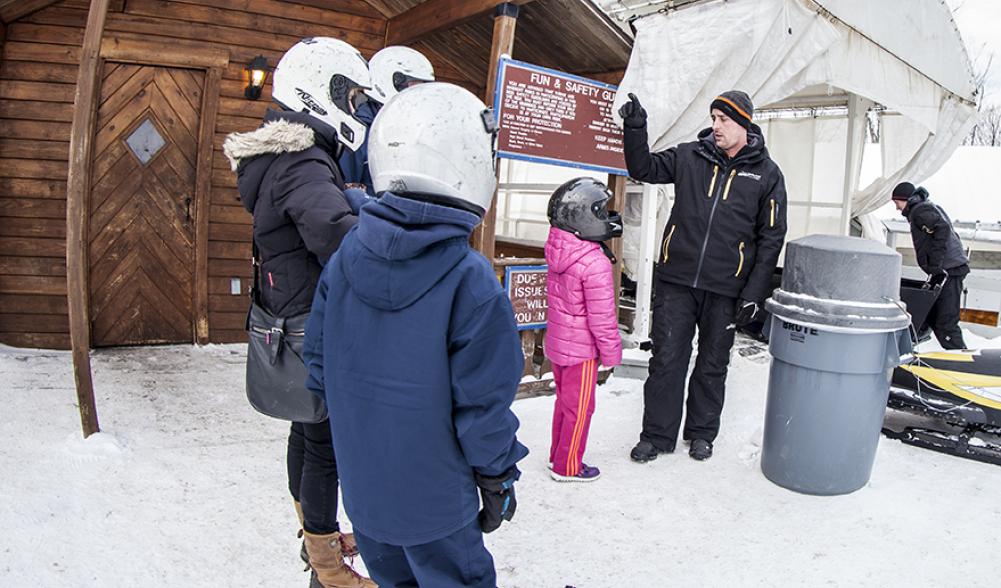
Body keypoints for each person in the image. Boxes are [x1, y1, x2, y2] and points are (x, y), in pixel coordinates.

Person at [303, 83, 528, 588]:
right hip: (437, 506)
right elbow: (483, 406)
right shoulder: (469, 281)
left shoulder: (345, 257)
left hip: (366, 498)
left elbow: (317, 367)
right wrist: (497, 475)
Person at [223, 37, 375, 588]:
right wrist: (382, 229)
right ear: (318, 91)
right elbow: (337, 237)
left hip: (290, 313)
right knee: (326, 445)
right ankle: (327, 562)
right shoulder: (304, 162)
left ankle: (313, 535)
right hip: (317, 317)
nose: (354, 107)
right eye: (348, 95)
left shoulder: (279, 159)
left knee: (306, 431)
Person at [618, 90, 788, 462]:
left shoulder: (767, 174)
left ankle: (701, 432)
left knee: (713, 363)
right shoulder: (688, 157)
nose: (716, 126)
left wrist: (754, 293)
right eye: (713, 118)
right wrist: (635, 128)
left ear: (743, 123)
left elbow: (771, 237)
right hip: (677, 280)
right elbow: (642, 168)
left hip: (727, 288)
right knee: (666, 359)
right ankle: (657, 435)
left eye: (723, 120)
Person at [544, 177, 624, 482]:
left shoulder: (559, 248)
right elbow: (602, 318)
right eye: (600, 211)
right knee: (580, 410)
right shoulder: (594, 262)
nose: (606, 217)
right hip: (581, 351)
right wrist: (611, 353)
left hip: (559, 345)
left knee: (564, 404)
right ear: (583, 216)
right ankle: (568, 467)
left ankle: (557, 456)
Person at [338, 45, 435, 195]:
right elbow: (348, 195)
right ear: (392, 81)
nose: (417, 95)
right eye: (413, 86)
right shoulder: (357, 133)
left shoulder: (415, 133)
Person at [891, 182, 969, 349]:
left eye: (897, 202)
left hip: (949, 270)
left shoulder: (920, 211)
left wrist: (935, 263)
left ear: (906, 199)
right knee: (931, 317)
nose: (897, 208)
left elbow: (943, 229)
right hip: (947, 269)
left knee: (945, 322)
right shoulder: (926, 207)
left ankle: (959, 359)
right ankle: (908, 349)